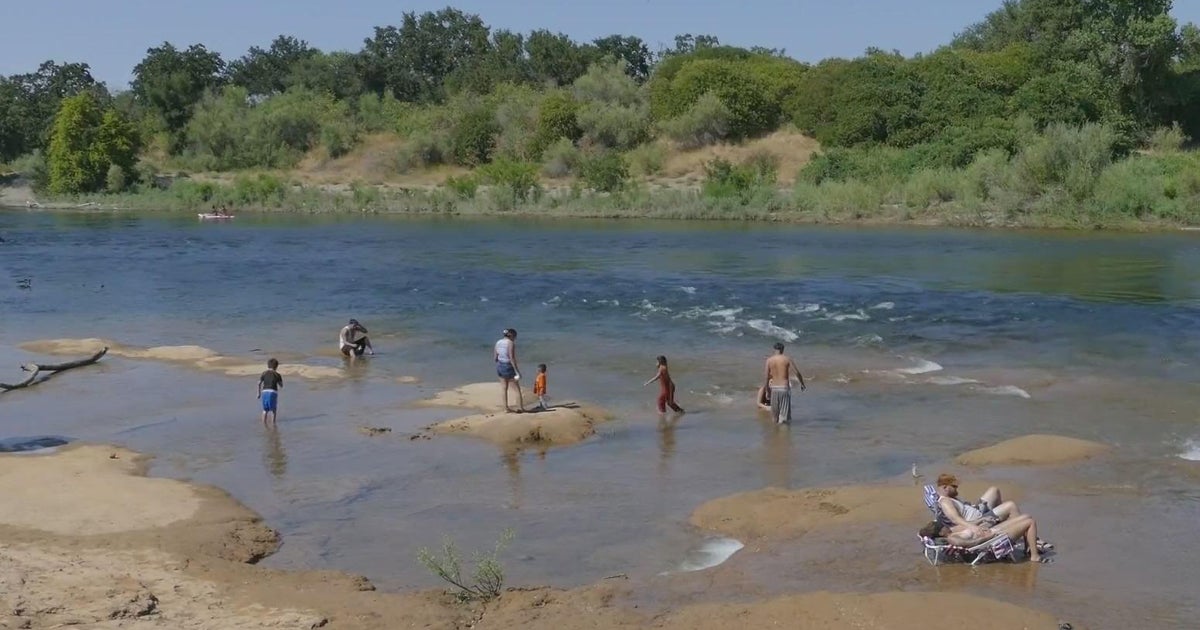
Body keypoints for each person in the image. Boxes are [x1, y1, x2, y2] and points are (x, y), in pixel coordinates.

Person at [935, 473, 1053, 563]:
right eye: (954, 487)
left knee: (1024, 515)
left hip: (978, 520)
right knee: (1022, 515)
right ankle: (1031, 550)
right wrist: (976, 526)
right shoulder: (945, 503)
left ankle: (1029, 544)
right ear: (945, 487)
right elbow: (956, 519)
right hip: (981, 526)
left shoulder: (949, 501)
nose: (957, 489)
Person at [763, 342, 806, 424]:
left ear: (774, 349)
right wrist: (802, 383)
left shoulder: (769, 360)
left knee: (775, 417)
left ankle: (775, 435)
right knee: (784, 417)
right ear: (782, 349)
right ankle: (783, 435)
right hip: (784, 388)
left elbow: (766, 377)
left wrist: (767, 391)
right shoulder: (787, 359)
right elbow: (797, 373)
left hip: (774, 389)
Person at [494, 328, 524, 413]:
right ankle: (520, 408)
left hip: (500, 365)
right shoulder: (510, 343)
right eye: (515, 337)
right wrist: (517, 371)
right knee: (517, 389)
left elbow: (495, 357)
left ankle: (505, 408)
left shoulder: (498, 342)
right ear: (512, 336)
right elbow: (512, 358)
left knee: (504, 388)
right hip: (508, 366)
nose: (515, 338)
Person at [257, 358, 283, 426]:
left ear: (268, 365)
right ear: (276, 366)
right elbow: (281, 385)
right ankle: (273, 424)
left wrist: (258, 393)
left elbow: (259, 383)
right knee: (273, 410)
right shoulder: (277, 374)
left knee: (265, 410)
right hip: (272, 392)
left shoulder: (264, 373)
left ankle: (264, 424)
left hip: (264, 391)